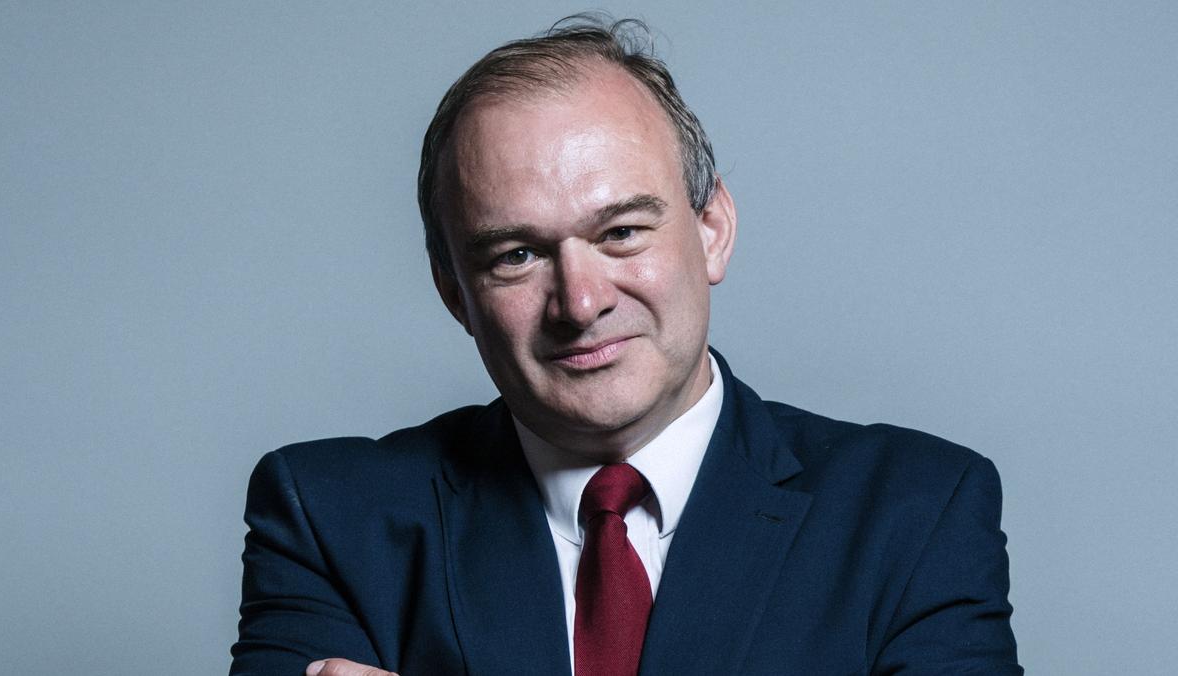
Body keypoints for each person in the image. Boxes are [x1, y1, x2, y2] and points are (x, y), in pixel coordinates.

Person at [230, 15, 1021, 676]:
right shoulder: (328, 520)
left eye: (621, 233)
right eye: (516, 255)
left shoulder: (916, 514)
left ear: (712, 231)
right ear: (454, 293)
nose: (580, 303)